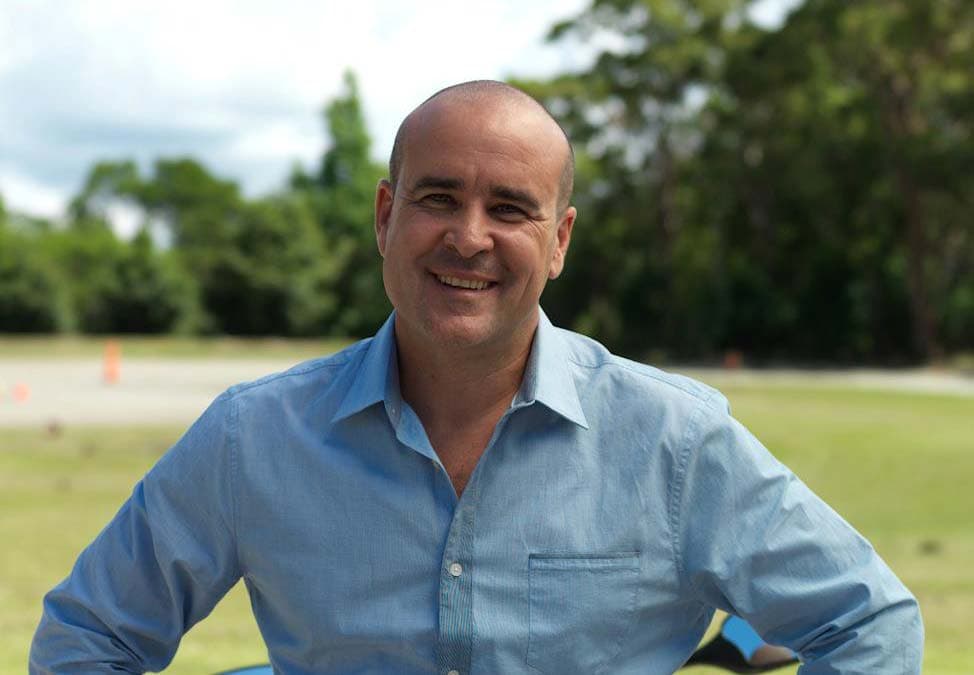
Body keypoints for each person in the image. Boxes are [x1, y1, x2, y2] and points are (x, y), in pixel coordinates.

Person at [30, 80, 923, 674]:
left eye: (510, 208)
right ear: (386, 216)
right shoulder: (252, 437)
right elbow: (87, 636)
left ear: (561, 239)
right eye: (437, 197)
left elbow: (870, 622)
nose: (468, 237)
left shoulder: (674, 440)